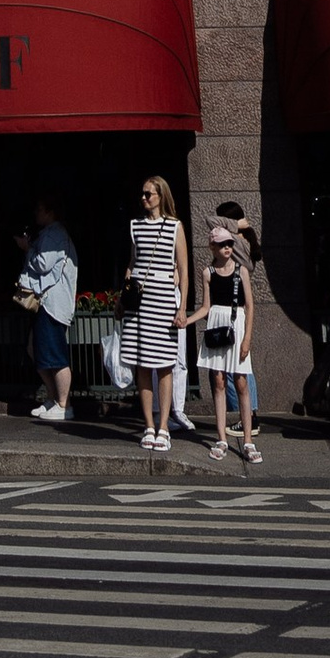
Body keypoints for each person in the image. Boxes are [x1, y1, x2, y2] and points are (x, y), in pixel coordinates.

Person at [126, 173, 189, 455]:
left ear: (161, 196)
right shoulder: (135, 226)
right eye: (142, 193)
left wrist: (182, 307)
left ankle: (164, 426)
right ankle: (149, 425)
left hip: (163, 300)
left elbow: (184, 270)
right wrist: (122, 297)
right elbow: (132, 263)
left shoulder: (175, 226)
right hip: (139, 302)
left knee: (164, 364)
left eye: (148, 194)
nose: (143, 198)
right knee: (141, 364)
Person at [194, 211, 260, 459]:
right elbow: (205, 306)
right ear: (212, 246)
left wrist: (247, 339)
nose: (227, 248)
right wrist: (185, 320)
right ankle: (221, 437)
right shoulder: (208, 273)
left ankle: (247, 439)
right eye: (222, 244)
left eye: (230, 243)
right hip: (216, 325)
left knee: (241, 381)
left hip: (237, 324)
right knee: (218, 381)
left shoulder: (240, 271)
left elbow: (250, 306)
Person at [20, 196, 77, 425]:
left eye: (40, 208)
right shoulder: (50, 233)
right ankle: (54, 398)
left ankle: (65, 405)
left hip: (52, 303)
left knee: (54, 355)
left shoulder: (55, 235)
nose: (36, 213)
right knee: (37, 349)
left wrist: (28, 249)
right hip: (47, 303)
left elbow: (44, 265)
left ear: (49, 211)